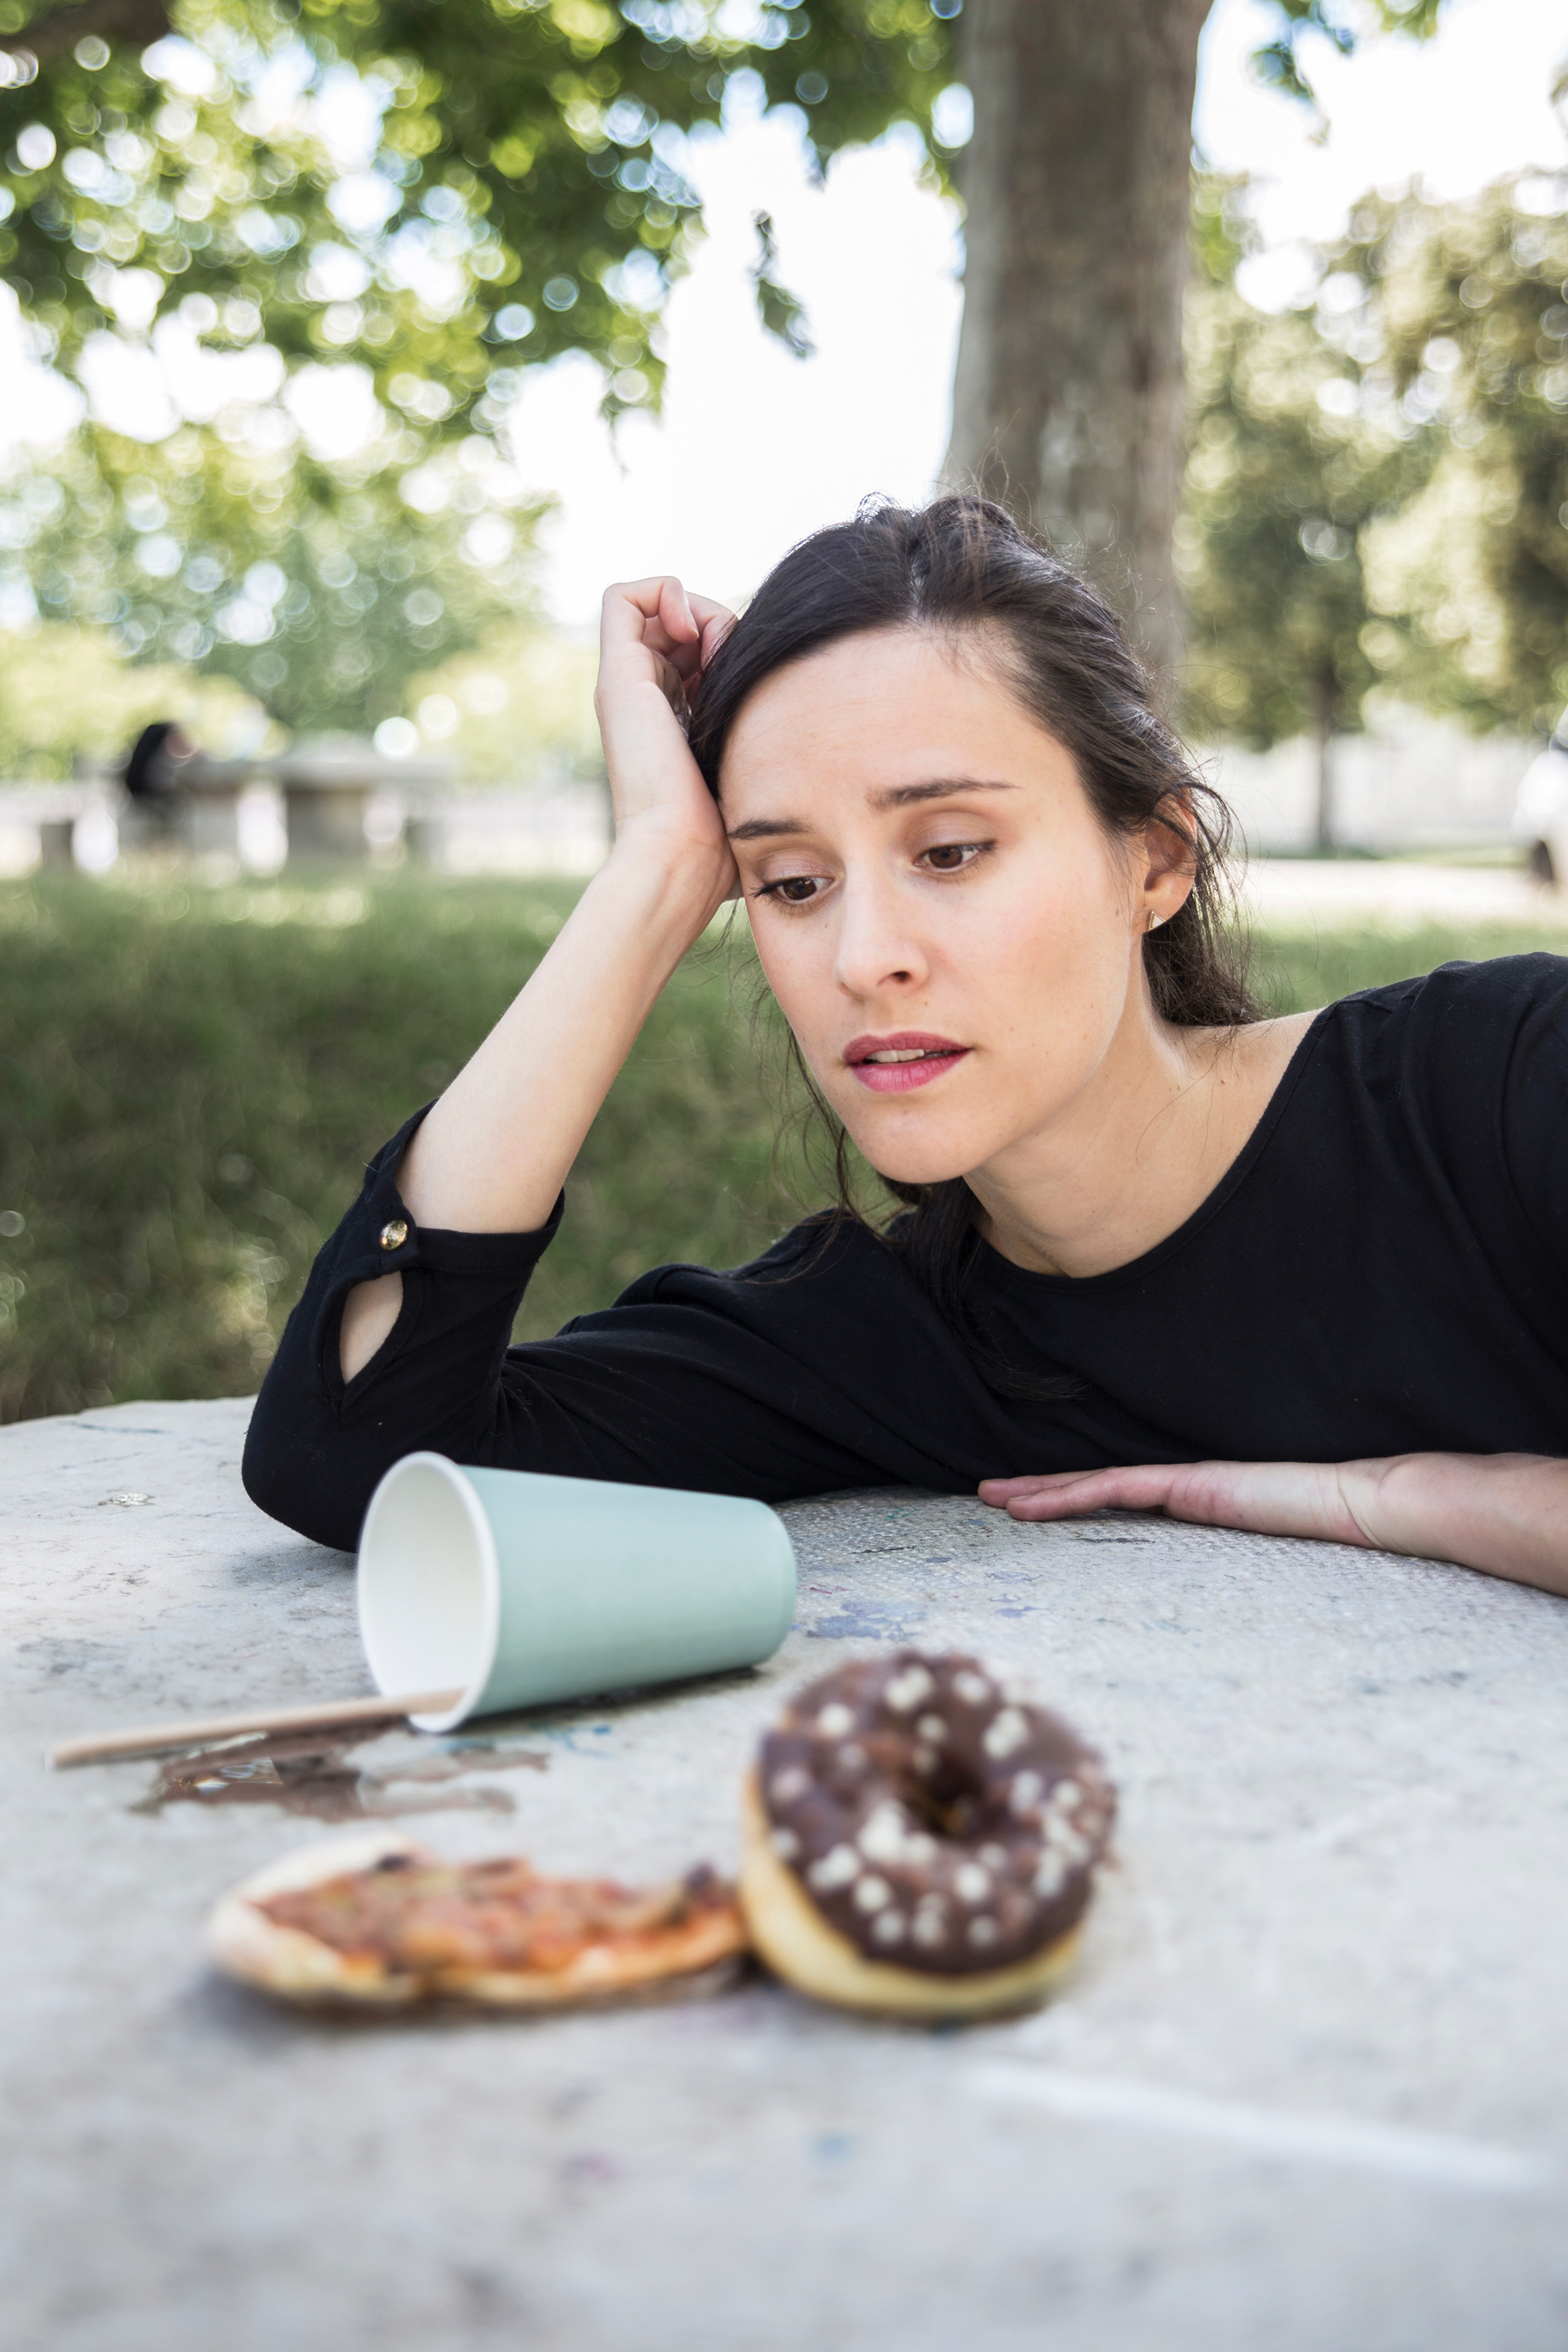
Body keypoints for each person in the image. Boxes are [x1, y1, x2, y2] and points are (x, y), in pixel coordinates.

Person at [243, 497, 1568, 1596]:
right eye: (790, 882)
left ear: (1155, 861)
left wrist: (1426, 1501)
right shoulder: (882, 1348)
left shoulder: (1503, 1090)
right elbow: (356, 1453)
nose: (862, 956)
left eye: (949, 851)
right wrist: (653, 874)